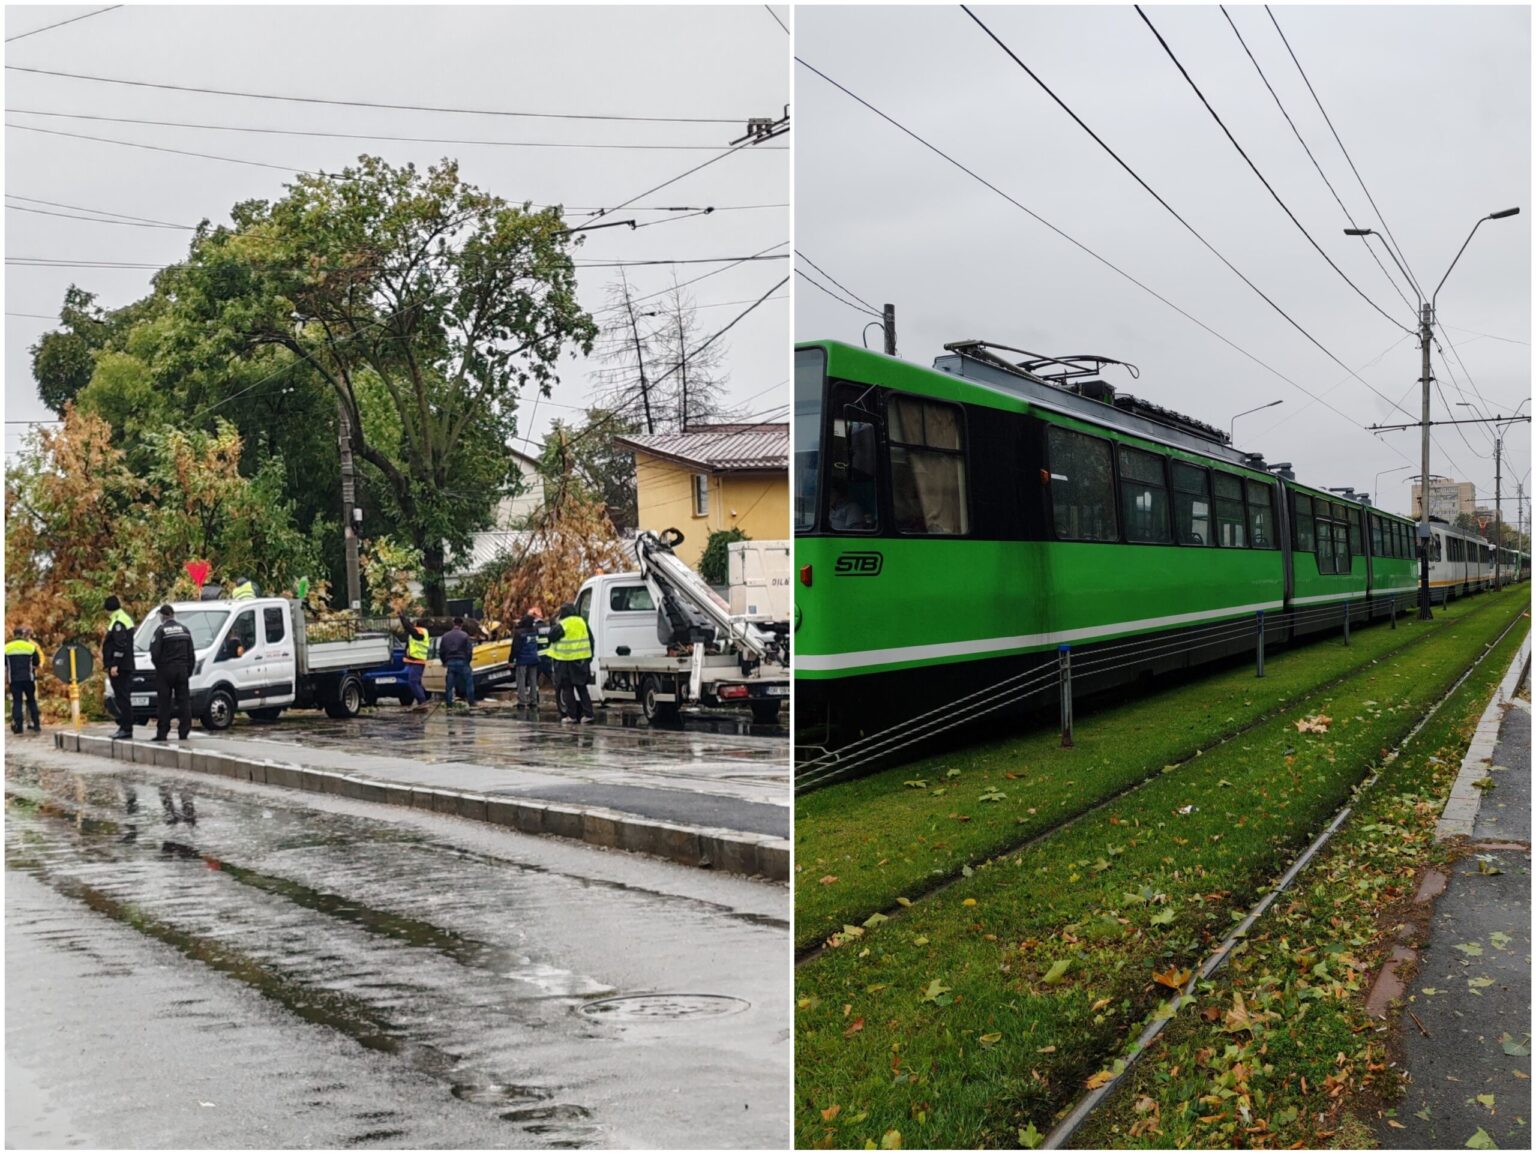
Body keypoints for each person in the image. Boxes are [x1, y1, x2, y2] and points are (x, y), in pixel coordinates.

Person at [149, 604, 195, 742]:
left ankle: (162, 733)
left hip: (166, 670)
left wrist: (160, 668)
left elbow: (154, 653)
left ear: (162, 616)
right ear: (173, 615)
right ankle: (184, 731)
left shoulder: (161, 631)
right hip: (182, 670)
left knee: (164, 702)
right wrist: (188, 671)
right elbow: (191, 654)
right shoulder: (185, 630)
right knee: (184, 701)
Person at [547, 603, 595, 725]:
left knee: (567, 689)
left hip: (565, 662)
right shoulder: (582, 622)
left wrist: (555, 623)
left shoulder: (564, 623)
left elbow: (551, 637)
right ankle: (589, 714)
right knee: (582, 688)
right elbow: (591, 640)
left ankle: (571, 716)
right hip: (581, 661)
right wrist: (589, 657)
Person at [103, 595, 137, 739]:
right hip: (125, 665)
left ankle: (126, 728)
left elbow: (120, 644)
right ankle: (125, 726)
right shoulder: (123, 618)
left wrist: (115, 664)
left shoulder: (118, 622)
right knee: (123, 696)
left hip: (120, 667)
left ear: (108, 609)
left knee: (122, 697)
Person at [5, 625, 43, 735]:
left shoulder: (6, 648)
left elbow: (4, 664)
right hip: (28, 678)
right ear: (23, 635)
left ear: (14, 635)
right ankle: (36, 725)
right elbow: (36, 662)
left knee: (17, 702)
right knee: (31, 701)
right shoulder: (30, 647)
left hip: (14, 680)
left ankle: (19, 727)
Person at [438, 616, 476, 709]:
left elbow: (441, 651)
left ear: (453, 624)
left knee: (449, 685)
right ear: (461, 625)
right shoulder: (465, 635)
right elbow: (469, 651)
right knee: (469, 682)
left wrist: (444, 662)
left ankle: (449, 703)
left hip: (450, 662)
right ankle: (471, 702)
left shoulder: (446, 636)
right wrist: (467, 661)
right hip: (462, 661)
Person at [399, 611, 430, 709]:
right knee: (417, 682)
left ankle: (422, 701)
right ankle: (422, 700)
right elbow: (410, 629)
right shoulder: (420, 632)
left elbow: (410, 628)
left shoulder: (420, 632)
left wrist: (402, 617)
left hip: (418, 661)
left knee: (413, 681)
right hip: (415, 661)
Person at [512, 613, 541, 707]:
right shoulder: (535, 631)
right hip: (534, 658)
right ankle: (534, 700)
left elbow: (515, 648)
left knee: (521, 680)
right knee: (533, 680)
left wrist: (511, 659)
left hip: (522, 659)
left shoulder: (519, 633)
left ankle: (522, 701)